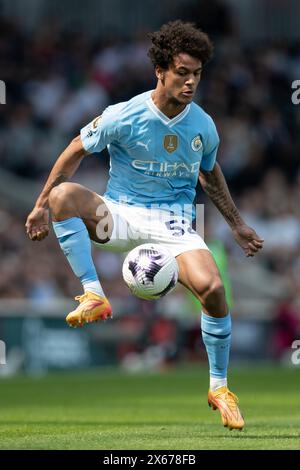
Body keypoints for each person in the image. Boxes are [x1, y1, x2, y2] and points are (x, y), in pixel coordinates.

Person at [26, 21, 264, 431]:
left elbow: (210, 176)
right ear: (161, 70)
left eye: (197, 75)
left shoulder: (203, 126)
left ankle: (219, 388)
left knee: (214, 290)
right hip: (118, 215)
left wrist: (238, 225)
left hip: (174, 225)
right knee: (62, 197)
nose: (191, 82)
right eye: (183, 72)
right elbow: (74, 149)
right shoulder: (124, 115)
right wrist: (38, 205)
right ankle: (93, 293)